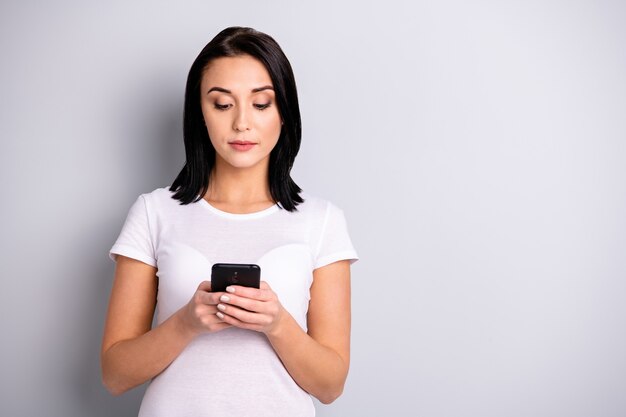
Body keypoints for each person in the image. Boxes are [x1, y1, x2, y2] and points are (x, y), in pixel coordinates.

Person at [101, 26, 358, 417]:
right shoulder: (154, 211)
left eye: (261, 104)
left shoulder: (322, 221)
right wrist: (187, 322)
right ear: (200, 113)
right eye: (222, 104)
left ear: (284, 113)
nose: (241, 123)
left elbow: (330, 386)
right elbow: (115, 375)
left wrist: (277, 325)